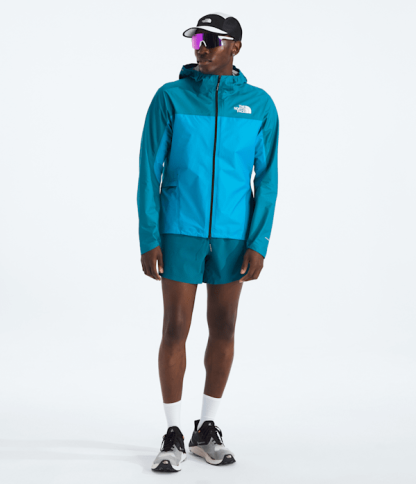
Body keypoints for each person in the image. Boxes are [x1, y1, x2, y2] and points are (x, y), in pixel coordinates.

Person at [137, 12, 279, 472]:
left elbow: (267, 179)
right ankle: (173, 433)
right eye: (197, 38)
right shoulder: (170, 97)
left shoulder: (259, 105)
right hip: (179, 227)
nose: (201, 46)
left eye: (211, 40)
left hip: (233, 234)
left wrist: (258, 240)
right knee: (175, 328)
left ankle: (207, 429)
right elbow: (148, 171)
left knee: (224, 327)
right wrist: (149, 235)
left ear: (235, 46)